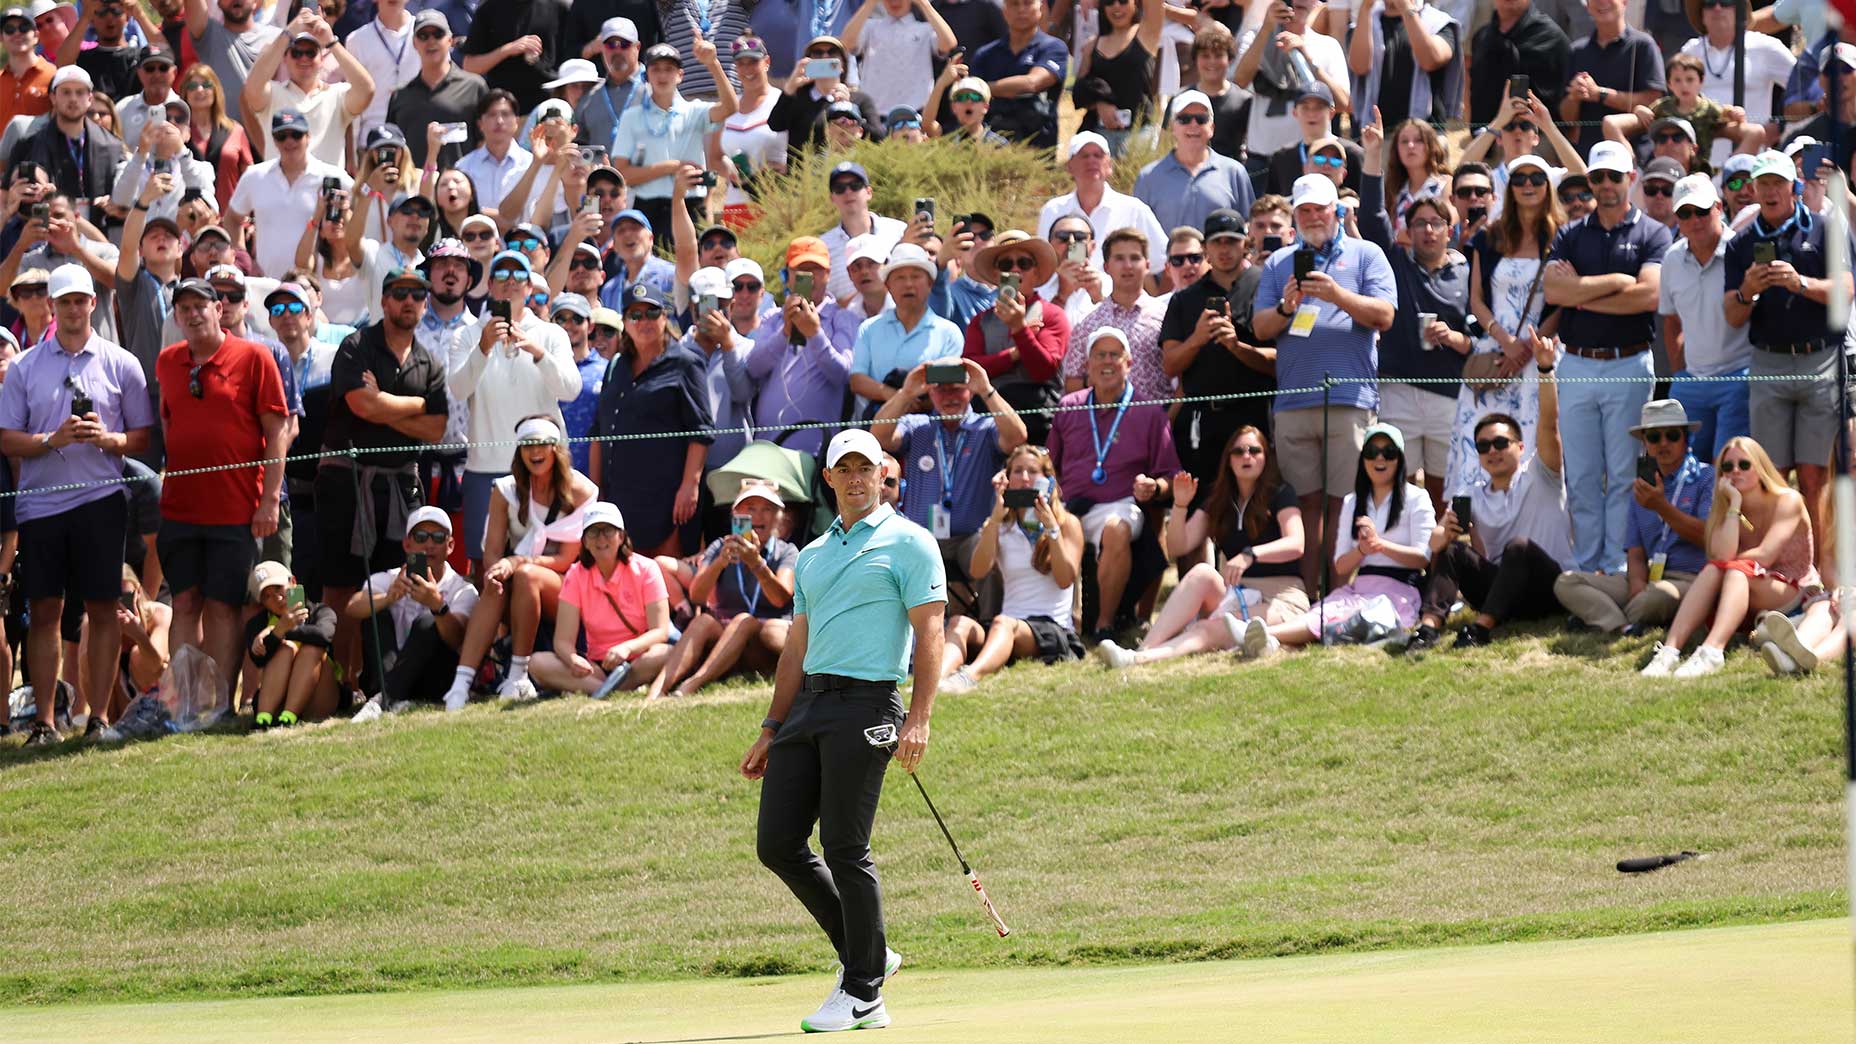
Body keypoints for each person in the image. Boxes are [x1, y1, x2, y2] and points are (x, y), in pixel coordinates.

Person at [740, 426, 944, 1035]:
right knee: (777, 843)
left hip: (869, 703)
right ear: (828, 479)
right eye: (845, 469)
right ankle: (870, 952)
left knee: (845, 846)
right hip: (808, 705)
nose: (857, 479)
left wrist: (920, 718)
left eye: (866, 468)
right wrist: (772, 726)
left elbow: (930, 634)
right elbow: (795, 647)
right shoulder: (812, 554)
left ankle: (863, 992)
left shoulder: (911, 542)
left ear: (884, 473)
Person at [0, 265, 151, 745]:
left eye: (79, 300)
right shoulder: (24, 367)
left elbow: (143, 436)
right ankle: (45, 722)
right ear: (51, 306)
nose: (71, 309)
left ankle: (98, 719)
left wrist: (108, 439)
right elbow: (7, 438)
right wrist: (52, 439)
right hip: (41, 507)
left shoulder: (121, 362)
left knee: (103, 608)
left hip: (101, 501)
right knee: (45, 610)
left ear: (93, 303)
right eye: (63, 301)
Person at [1251, 173, 1397, 590]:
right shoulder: (1278, 262)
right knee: (1303, 507)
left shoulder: (1367, 254)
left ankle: (1337, 597)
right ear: (1295, 216)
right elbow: (1260, 328)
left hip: (1349, 399)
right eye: (1305, 210)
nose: (1313, 216)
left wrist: (1337, 295)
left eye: (1320, 208)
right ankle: (1306, 598)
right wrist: (1287, 307)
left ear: (1337, 210)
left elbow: (1384, 315)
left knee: (1344, 505)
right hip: (1294, 402)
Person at [155, 277, 288, 712]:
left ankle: (220, 705)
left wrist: (270, 500)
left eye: (201, 305)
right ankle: (185, 705)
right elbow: (169, 423)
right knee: (184, 602)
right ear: (177, 317)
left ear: (219, 310)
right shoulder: (167, 361)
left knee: (223, 606)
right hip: (180, 507)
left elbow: (277, 431)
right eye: (184, 308)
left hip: (236, 508)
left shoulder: (254, 357)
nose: (193, 314)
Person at [1542, 140, 1668, 578]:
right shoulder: (1570, 233)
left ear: (1631, 178)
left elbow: (1648, 296)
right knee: (1580, 475)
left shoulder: (1653, 232)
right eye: (1598, 177)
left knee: (1622, 474)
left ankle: (1616, 567)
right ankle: (1586, 565)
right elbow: (1553, 290)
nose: (1606, 185)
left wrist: (1580, 294)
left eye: (1615, 176)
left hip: (1629, 362)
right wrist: (1616, 281)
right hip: (1576, 363)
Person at [1097, 425, 1307, 667]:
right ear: (1228, 460)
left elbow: (1296, 543)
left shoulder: (1281, 493)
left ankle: (1139, 659)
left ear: (1266, 457)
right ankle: (1144, 648)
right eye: (1238, 451)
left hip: (1281, 598)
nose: (1246, 456)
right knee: (1201, 573)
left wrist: (1250, 554)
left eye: (1254, 450)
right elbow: (1178, 547)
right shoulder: (1219, 501)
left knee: (1208, 628)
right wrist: (1180, 505)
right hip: (1238, 593)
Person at [1724, 149, 1849, 554]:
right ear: (1755, 189)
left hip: (1819, 360)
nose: (1770, 191)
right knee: (1773, 477)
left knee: (1815, 476)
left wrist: (1800, 284)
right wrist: (1747, 290)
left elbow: (1846, 291)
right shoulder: (1741, 242)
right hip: (1768, 362)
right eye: (1763, 184)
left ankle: (1820, 567)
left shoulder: (1826, 228)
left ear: (1794, 187)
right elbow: (1732, 315)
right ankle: (1781, 565)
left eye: (1778, 183)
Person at [1410, 336, 1569, 649]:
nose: (1492, 451)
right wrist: (1446, 534)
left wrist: (1545, 369)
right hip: (1503, 593)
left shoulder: (1542, 473)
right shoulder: (1471, 493)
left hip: (1549, 590)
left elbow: (1549, 424)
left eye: (1500, 443)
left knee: (1519, 547)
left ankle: (1480, 630)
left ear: (1520, 447)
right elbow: (1436, 544)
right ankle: (1427, 629)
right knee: (1454, 550)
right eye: (1483, 446)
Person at [1235, 422, 1435, 658]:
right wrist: (1362, 550)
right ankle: (1264, 638)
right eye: (1372, 452)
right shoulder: (1353, 501)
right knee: (1322, 614)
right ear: (1363, 459)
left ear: (1400, 459)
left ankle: (1259, 636)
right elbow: (1341, 565)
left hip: (1400, 589)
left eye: (1388, 452)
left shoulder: (1417, 498)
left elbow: (1422, 558)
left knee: (1351, 619)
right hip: (1360, 586)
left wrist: (1380, 545)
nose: (1379, 458)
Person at [438, 415, 597, 706]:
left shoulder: (581, 491)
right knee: (495, 583)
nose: (534, 452)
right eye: (527, 445)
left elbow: (565, 560)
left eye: (541, 444)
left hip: (567, 586)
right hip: (516, 578)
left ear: (556, 448)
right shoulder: (505, 490)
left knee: (527, 575)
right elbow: (492, 551)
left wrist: (516, 562)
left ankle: (518, 676)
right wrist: (497, 571)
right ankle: (460, 683)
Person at [1357, 111, 1468, 512]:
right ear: (1407, 229)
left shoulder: (1466, 271)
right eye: (1418, 223)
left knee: (1442, 492)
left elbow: (1476, 336)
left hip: (1447, 392)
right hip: (1398, 389)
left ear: (1449, 229)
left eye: (1435, 223)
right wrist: (1373, 154)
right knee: (1398, 488)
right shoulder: (1395, 263)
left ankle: (1441, 552)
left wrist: (1453, 338)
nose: (1427, 230)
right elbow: (1372, 219)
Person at [447, 250, 582, 570]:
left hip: (544, 467)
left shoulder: (551, 334)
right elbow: (458, 389)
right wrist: (482, 348)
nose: (510, 282)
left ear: (530, 287)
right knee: (484, 567)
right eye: (502, 275)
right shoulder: (466, 335)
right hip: (485, 468)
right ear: (490, 285)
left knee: (545, 565)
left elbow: (570, 390)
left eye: (519, 275)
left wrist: (539, 353)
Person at [1641, 436, 1816, 678]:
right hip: (1745, 587)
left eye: (1744, 465)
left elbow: (1765, 556)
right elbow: (1720, 556)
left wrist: (1730, 565)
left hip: (1794, 591)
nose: (1735, 471)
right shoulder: (1725, 505)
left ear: (1761, 468)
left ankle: (1712, 651)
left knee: (1732, 569)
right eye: (1727, 466)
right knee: (1715, 568)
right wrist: (1734, 505)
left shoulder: (1788, 500)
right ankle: (1669, 651)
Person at [1047, 327, 1179, 640]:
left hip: (1120, 504)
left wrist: (1154, 487)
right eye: (1100, 355)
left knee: (1116, 529)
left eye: (1114, 355)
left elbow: (1171, 475)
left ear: (1128, 363)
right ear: (1087, 365)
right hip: (1070, 505)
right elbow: (1049, 465)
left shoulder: (1149, 411)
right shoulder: (1069, 406)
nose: (1107, 361)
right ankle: (1062, 623)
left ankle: (1103, 626)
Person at [871, 356, 1026, 618]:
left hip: (970, 537)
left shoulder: (985, 427)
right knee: (891, 560)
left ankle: (990, 626)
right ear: (930, 392)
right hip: (922, 536)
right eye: (941, 389)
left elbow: (1017, 436)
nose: (949, 396)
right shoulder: (917, 426)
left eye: (957, 388)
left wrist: (986, 389)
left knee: (988, 556)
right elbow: (879, 437)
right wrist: (906, 393)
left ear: (970, 390)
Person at [1555, 398, 1712, 634]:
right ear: (1645, 443)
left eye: (1672, 435)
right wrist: (1637, 585)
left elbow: (1707, 537)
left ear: (1686, 439)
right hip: (1647, 577)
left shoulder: (1706, 478)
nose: (1663, 443)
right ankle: (1622, 625)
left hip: (1689, 578)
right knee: (1566, 581)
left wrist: (1662, 507)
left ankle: (1598, 617)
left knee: (1658, 596)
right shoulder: (1641, 488)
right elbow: (1635, 553)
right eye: (1654, 437)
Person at [1159, 206, 1278, 507]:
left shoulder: (1266, 286)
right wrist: (1197, 340)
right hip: (1202, 420)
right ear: (1206, 248)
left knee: (1256, 506)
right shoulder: (1184, 299)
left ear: (1246, 243)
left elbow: (1281, 361)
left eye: (1231, 241)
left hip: (1254, 416)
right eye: (1217, 242)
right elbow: (1170, 365)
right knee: (1200, 507)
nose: (1224, 249)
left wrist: (1237, 347)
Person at [939, 443, 1083, 689]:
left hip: (1052, 628)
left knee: (1003, 623)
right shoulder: (1002, 526)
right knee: (959, 623)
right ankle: (935, 681)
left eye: (1033, 471)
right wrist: (995, 520)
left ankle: (968, 677)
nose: (1025, 478)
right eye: (1017, 471)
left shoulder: (1066, 523)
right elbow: (977, 571)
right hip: (1007, 626)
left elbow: (1065, 579)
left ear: (1047, 479)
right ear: (1007, 478)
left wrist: (1052, 529)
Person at [590, 283, 713, 557]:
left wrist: (690, 486)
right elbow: (599, 431)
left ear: (664, 317)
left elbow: (701, 432)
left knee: (665, 574)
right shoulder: (616, 366)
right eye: (635, 315)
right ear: (624, 322)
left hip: (668, 499)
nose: (643, 321)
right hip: (620, 497)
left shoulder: (686, 363)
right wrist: (596, 490)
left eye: (652, 313)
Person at [648, 483, 798, 699]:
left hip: (762, 641)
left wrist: (756, 563)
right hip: (725, 637)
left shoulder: (787, 551)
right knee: (703, 621)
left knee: (745, 620)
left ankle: (691, 685)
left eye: (767, 509)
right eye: (750, 508)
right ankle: (657, 691)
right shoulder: (720, 547)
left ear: (778, 517)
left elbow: (781, 598)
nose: (758, 516)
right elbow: (697, 595)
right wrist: (720, 562)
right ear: (736, 515)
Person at [528, 500, 674, 693]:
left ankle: (602, 691)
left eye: (608, 530)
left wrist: (627, 649)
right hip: (597, 666)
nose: (601, 538)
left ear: (621, 536)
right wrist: (572, 659)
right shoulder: (576, 575)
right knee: (537, 663)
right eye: (593, 532)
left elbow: (660, 631)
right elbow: (563, 641)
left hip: (638, 658)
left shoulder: (647, 569)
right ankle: (611, 689)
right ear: (585, 542)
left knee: (665, 653)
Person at [344, 504, 479, 708]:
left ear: (450, 545)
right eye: (421, 537)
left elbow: (457, 639)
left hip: (433, 679)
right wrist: (388, 598)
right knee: (376, 613)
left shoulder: (463, 589)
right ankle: (390, 696)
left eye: (438, 537)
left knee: (428, 622)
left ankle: (385, 698)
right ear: (407, 544)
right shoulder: (390, 578)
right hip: (387, 671)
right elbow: (352, 606)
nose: (429, 544)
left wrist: (437, 606)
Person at [1656, 174, 1748, 462]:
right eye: (1685, 213)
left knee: (1727, 466)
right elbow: (1671, 322)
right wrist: (1680, 374)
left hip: (1740, 376)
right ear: (1677, 218)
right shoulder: (1671, 259)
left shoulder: (1742, 250)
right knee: (1684, 468)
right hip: (1691, 381)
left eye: (1702, 211)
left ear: (1718, 208)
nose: (1694, 220)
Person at [612, 38, 737, 244]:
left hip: (691, 204)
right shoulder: (632, 117)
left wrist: (713, 64)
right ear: (647, 75)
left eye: (669, 69)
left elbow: (730, 107)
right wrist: (672, 167)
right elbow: (623, 174)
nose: (662, 75)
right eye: (656, 69)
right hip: (649, 207)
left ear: (680, 75)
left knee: (693, 261)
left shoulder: (694, 110)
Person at [746, 235, 857, 456]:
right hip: (768, 449)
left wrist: (814, 334)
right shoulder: (773, 318)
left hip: (817, 451)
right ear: (788, 276)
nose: (810, 277)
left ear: (828, 274)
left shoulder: (842, 318)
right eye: (801, 270)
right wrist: (785, 333)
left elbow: (842, 374)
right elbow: (753, 368)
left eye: (815, 270)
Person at [962, 229, 1068, 443]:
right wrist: (1015, 353)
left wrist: (1019, 329)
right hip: (989, 422)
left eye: (1024, 263)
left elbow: (1043, 369)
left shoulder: (1052, 314)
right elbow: (970, 370)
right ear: (996, 275)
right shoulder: (980, 321)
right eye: (1006, 264)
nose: (1015, 269)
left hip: (1038, 422)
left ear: (1036, 272)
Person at [224, 107, 351, 281]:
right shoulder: (255, 176)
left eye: (296, 135)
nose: (289, 141)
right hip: (268, 284)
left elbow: (361, 212)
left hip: (318, 284)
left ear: (308, 136)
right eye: (281, 136)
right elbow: (231, 219)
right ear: (274, 140)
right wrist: (245, 261)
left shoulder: (332, 176)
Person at [240, 9, 374, 170]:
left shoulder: (337, 95)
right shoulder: (273, 94)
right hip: (281, 184)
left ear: (321, 58)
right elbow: (252, 87)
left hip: (325, 185)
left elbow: (367, 90)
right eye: (296, 53)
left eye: (311, 53)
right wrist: (288, 32)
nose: (304, 58)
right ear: (285, 58)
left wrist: (331, 42)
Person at [846, 243, 963, 415]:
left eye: (916, 277)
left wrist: (916, 402)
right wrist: (895, 396)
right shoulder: (869, 328)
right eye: (900, 278)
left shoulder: (949, 333)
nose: (908, 284)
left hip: (930, 426)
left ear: (930, 283)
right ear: (888, 285)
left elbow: (950, 385)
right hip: (877, 423)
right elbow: (857, 381)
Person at [1233, 0, 1350, 172]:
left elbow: (1341, 103)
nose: (1297, 1)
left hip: (1312, 159)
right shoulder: (1256, 35)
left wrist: (1307, 58)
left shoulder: (1328, 46)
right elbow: (1240, 81)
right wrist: (1266, 29)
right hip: (1262, 158)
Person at [1676, 0, 1792, 167]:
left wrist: (1780, 125)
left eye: (1725, 2)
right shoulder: (1690, 51)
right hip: (1701, 164)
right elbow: (1675, 104)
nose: (1717, 8)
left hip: (1753, 164)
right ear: (1701, 14)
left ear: (1740, 10)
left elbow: (1805, 90)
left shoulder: (1766, 47)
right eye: (1709, 3)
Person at [1036, 132, 1166, 278]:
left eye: (1098, 155)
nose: (1091, 160)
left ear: (1109, 165)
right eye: (1084, 155)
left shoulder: (1134, 210)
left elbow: (1163, 261)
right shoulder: (1052, 210)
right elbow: (1043, 265)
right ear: (1069, 166)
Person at [8, 67, 125, 228]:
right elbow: (6, 198)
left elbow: (125, 199)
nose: (73, 99)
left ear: (90, 98)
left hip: (98, 235)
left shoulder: (112, 146)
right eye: (66, 92)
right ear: (53, 97)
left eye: (80, 92)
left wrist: (115, 204)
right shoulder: (28, 144)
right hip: (45, 233)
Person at [1133, 90, 1255, 238]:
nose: (1193, 124)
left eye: (1201, 119)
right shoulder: (1148, 177)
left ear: (1212, 128)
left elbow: (1249, 225)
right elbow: (1138, 232)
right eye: (1184, 119)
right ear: (1172, 126)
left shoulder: (1234, 172)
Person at [385, 9, 487, 171]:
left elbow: (485, 142)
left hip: (460, 182)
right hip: (414, 185)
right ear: (414, 43)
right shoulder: (400, 95)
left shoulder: (474, 87)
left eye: (438, 34)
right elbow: (391, 146)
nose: (431, 41)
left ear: (450, 40)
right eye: (423, 36)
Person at [1559, 0, 1665, 155]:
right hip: (1589, 156)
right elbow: (1567, 119)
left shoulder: (1643, 45)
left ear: (1624, 2)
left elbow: (1654, 103)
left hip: (1633, 155)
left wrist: (1600, 94)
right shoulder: (1577, 51)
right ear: (1587, 6)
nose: (1602, 2)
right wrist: (1574, 97)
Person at [240, 560, 338, 725]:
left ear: (293, 582)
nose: (277, 598)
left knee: (311, 649)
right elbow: (258, 658)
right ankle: (264, 719)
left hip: (319, 697)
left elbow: (324, 635)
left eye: (279, 588)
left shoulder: (320, 611)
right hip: (278, 701)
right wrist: (277, 633)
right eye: (267, 596)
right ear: (262, 603)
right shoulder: (257, 623)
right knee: (285, 649)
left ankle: (289, 717)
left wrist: (281, 630)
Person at [1345, 0, 1461, 131]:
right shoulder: (1365, 22)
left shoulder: (1438, 23)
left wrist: (1406, 7)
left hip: (1426, 134)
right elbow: (1360, 67)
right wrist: (1366, 8)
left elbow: (1430, 60)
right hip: (1375, 133)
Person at [964, 0, 1065, 148]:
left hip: (1037, 143)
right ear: (1004, 11)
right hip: (992, 144)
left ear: (1041, 8)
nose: (1021, 9)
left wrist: (983, 88)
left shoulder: (1053, 47)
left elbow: (1032, 83)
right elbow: (971, 97)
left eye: (1027, 3)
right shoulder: (985, 54)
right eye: (1014, 4)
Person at [1069, 0, 1163, 154]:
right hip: (1100, 134)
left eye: (1123, 1)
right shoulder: (1092, 44)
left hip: (1138, 133)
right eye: (1109, 1)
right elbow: (1079, 90)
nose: (1116, 6)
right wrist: (1099, 102)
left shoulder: (1147, 34)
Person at [842, 0, 958, 123]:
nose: (894, 2)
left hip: (915, 113)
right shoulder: (870, 27)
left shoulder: (925, 29)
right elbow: (846, 43)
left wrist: (924, 4)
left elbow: (949, 44)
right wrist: (869, 4)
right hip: (874, 115)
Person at [1468, 0, 1569, 125]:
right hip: (1486, 132)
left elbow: (1567, 101)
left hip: (1536, 134)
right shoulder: (1481, 38)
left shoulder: (1552, 38)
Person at [816, 161, 905, 303]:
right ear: (832, 198)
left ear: (869, 192)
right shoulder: (822, 246)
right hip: (845, 317)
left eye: (855, 185)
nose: (848, 192)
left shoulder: (899, 231)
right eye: (839, 188)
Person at [458, 0, 567, 113]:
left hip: (549, 107)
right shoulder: (489, 7)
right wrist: (506, 50)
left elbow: (570, 60)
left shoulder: (559, 6)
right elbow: (470, 66)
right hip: (505, 109)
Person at [183, 0, 283, 122]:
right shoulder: (208, 34)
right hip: (223, 132)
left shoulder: (278, 38)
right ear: (218, 3)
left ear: (256, 2)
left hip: (269, 131)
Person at [177, 65, 253, 214]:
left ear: (215, 90)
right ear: (185, 93)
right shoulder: (177, 133)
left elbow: (250, 179)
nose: (200, 90)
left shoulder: (235, 131)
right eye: (192, 86)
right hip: (187, 221)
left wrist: (250, 216)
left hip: (231, 220)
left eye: (206, 85)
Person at [0, 5, 54, 132]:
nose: (17, 33)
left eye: (24, 28)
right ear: (1, 38)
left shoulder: (53, 75)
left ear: (36, 36)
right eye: (9, 29)